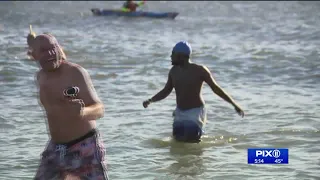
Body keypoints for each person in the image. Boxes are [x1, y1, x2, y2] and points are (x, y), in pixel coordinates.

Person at [27, 33, 109, 179]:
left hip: (84, 147)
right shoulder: (40, 76)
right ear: (34, 55)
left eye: (54, 48)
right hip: (56, 149)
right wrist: (32, 42)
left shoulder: (75, 72)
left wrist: (83, 112)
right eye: (44, 50)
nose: (51, 53)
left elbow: (100, 109)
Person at [143, 41, 245, 143]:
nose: (170, 56)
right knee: (178, 143)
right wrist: (151, 100)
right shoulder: (173, 71)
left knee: (192, 143)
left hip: (195, 112)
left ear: (181, 56)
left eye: (173, 53)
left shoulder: (200, 70)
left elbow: (216, 88)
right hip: (179, 113)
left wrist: (234, 104)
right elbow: (166, 91)